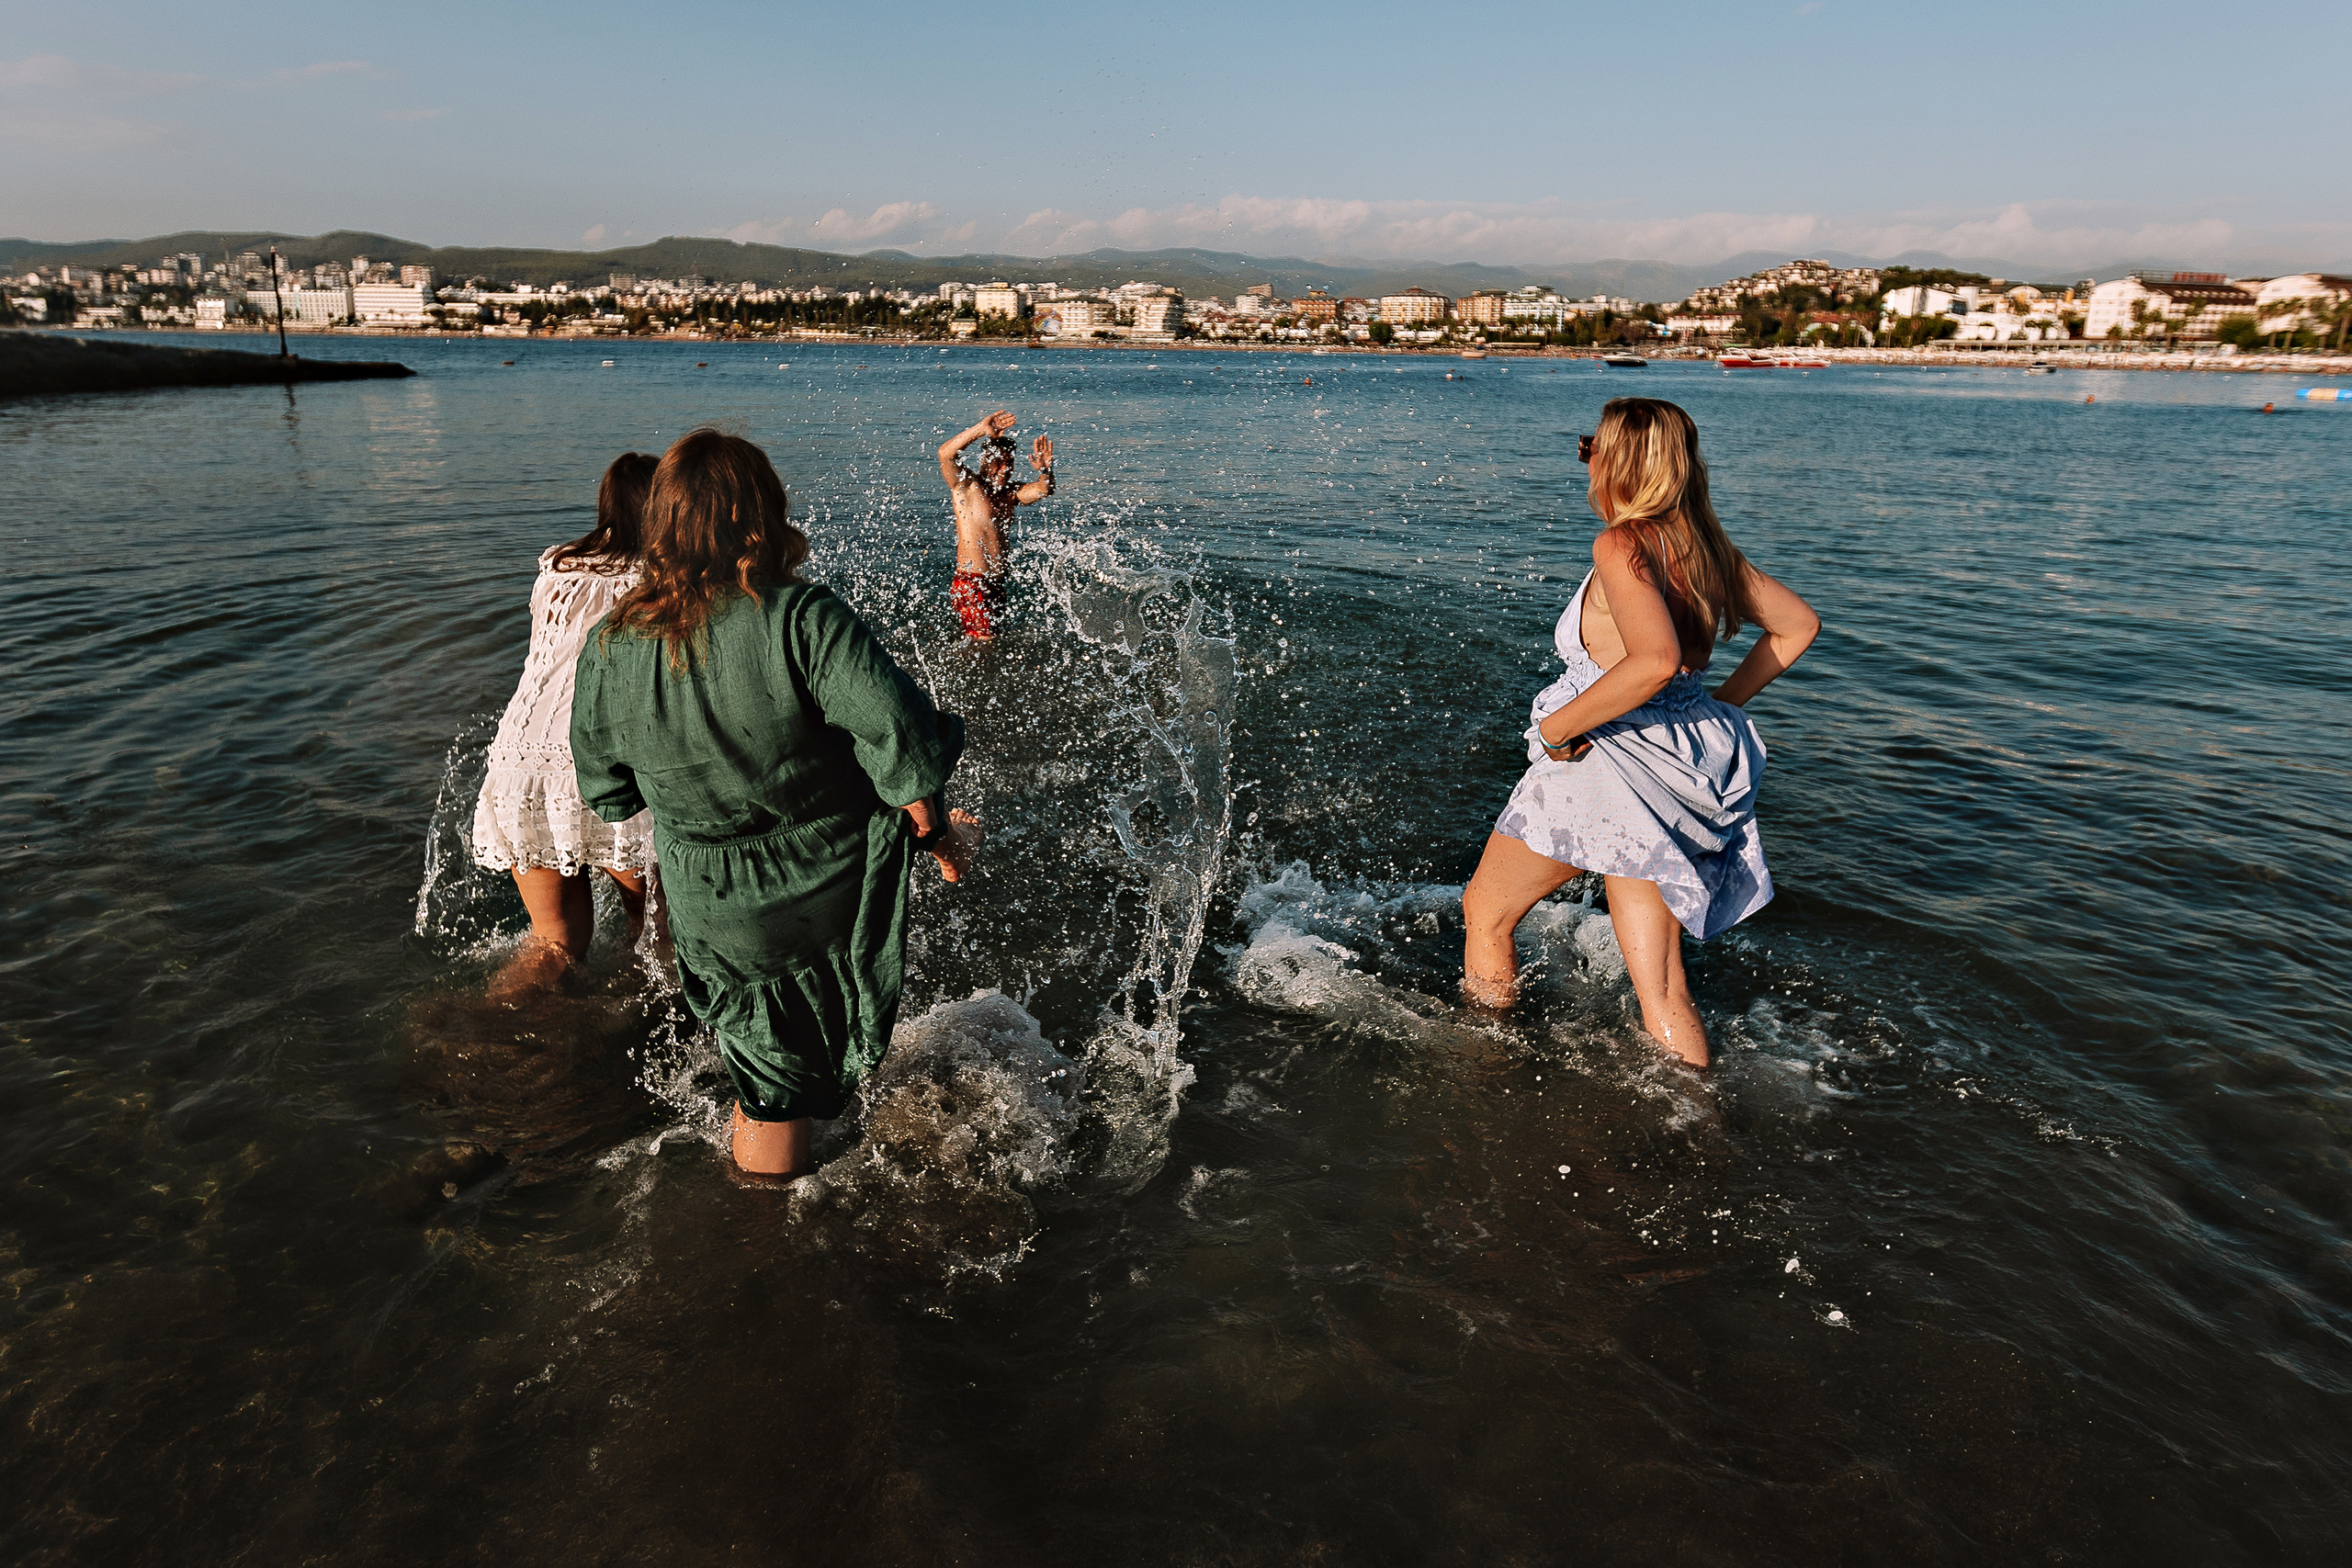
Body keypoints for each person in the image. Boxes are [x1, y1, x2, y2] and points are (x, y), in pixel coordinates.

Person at [571, 430, 980, 1179]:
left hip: (708, 901)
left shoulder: (611, 641)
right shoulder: (801, 615)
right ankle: (773, 1231)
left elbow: (607, 788)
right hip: (816, 879)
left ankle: (772, 1223)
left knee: (764, 1072)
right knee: (786, 1081)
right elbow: (901, 735)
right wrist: (932, 825)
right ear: (761, 513)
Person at [1461, 399, 1821, 1068]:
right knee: (1661, 986)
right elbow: (1798, 625)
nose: (1585, 461)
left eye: (1587, 447)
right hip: (1678, 768)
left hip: (1609, 758)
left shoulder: (1621, 544)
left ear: (1617, 460)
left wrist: (1555, 731)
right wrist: (1716, 703)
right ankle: (1701, 1123)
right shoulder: (1707, 548)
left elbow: (1653, 661)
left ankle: (1486, 1074)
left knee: (1485, 911)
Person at [470, 452, 660, 996]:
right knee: (655, 938)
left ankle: (479, 1026)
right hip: (607, 762)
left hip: (521, 758)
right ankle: (645, 1037)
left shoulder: (556, 564)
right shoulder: (664, 578)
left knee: (554, 944)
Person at [935, 408, 1054, 639]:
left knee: (990, 643)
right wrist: (980, 429)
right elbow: (945, 455)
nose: (1004, 470)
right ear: (984, 462)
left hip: (996, 584)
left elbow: (1043, 489)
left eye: (1008, 464)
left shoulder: (1010, 493)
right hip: (972, 582)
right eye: (998, 463)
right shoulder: (967, 486)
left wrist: (1045, 470)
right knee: (985, 645)